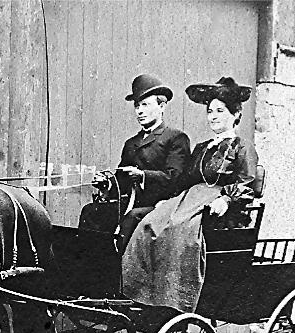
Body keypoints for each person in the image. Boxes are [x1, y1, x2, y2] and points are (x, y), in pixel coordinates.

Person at [121, 76, 260, 314]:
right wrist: (169, 200)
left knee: (177, 231)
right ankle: (144, 292)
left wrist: (226, 199)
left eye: (220, 111)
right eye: (210, 112)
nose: (213, 117)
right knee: (150, 223)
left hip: (219, 209)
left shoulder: (242, 147)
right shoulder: (203, 147)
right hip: (190, 200)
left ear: (235, 115)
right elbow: (186, 179)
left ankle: (175, 297)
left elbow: (247, 183)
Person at [91, 74, 191, 250]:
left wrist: (142, 175)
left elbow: (175, 179)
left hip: (162, 208)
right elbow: (121, 182)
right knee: (92, 212)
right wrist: (106, 183)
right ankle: (90, 268)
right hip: (131, 204)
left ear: (162, 106)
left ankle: (120, 271)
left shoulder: (175, 138)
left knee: (132, 218)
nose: (139, 111)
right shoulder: (131, 143)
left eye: (145, 105)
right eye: (137, 106)